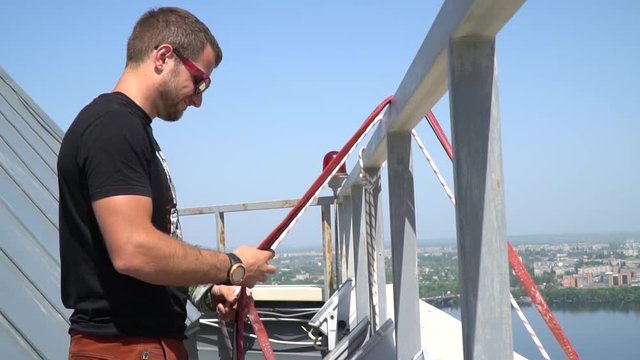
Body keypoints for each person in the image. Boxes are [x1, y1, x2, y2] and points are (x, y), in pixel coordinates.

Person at [57, 7, 277, 359]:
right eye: (199, 80)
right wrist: (232, 265)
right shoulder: (113, 128)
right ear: (163, 57)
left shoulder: (130, 130)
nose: (199, 98)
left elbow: (156, 245)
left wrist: (206, 291)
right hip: (127, 347)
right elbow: (134, 250)